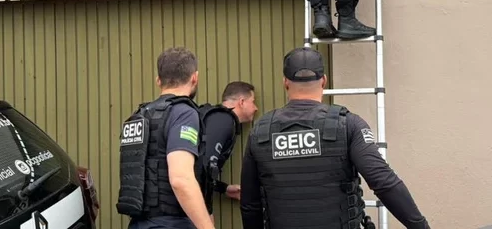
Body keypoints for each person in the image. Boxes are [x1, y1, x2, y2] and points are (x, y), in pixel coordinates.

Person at [239, 47, 431, 229]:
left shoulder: (260, 131)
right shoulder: (349, 124)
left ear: (285, 82)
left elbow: (250, 204)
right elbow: (384, 182)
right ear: (324, 80)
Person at [115, 47, 215, 229]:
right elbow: (181, 179)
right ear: (195, 78)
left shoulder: (140, 115)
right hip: (171, 223)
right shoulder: (183, 113)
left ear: (158, 81)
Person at [197, 81, 259, 212]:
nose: (256, 108)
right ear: (242, 102)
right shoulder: (224, 120)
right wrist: (206, 213)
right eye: (253, 102)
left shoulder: (219, 119)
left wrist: (224, 188)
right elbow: (204, 168)